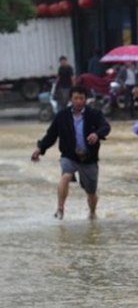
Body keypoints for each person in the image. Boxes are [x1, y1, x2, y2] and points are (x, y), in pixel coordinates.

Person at [31, 85, 110, 220]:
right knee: (66, 175)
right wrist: (40, 149)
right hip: (69, 155)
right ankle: (60, 208)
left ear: (86, 99)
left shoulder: (94, 114)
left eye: (81, 98)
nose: (79, 101)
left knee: (91, 192)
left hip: (89, 158)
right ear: (70, 99)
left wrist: (97, 134)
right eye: (76, 98)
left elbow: (106, 127)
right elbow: (51, 135)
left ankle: (92, 213)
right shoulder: (62, 116)